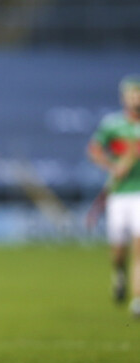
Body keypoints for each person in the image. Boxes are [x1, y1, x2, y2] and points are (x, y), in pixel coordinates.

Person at [87, 74, 140, 317]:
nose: (136, 98)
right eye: (132, 94)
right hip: (119, 194)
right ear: (123, 98)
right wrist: (112, 166)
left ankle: (137, 300)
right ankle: (119, 274)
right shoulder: (112, 124)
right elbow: (94, 150)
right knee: (119, 251)